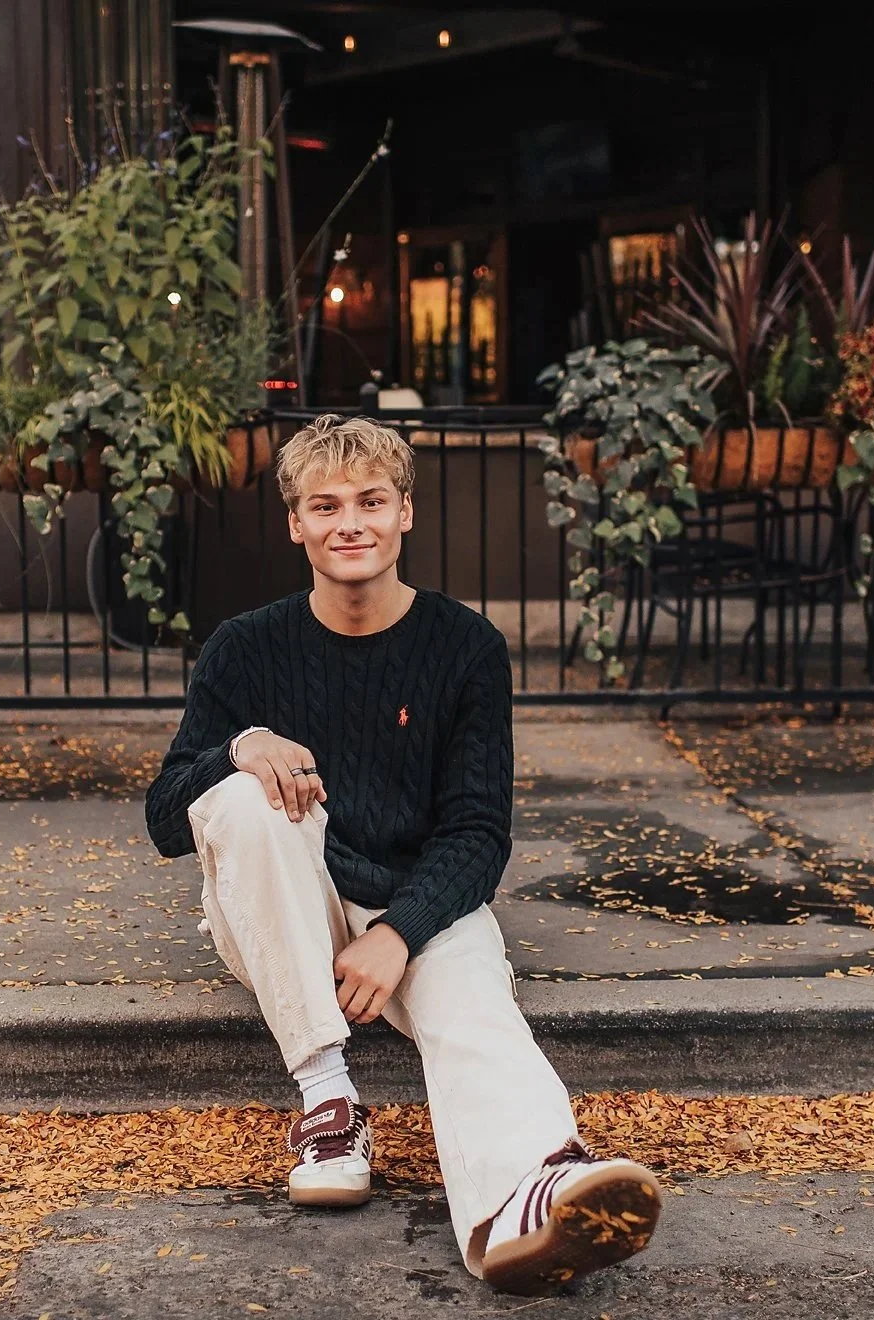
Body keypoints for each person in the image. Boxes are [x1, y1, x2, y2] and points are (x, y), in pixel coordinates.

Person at [144, 414, 660, 1295]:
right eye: (326, 505)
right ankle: (328, 1099)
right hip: (281, 909)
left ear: (405, 514)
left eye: (372, 501)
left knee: (471, 1001)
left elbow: (475, 834)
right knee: (239, 792)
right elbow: (164, 817)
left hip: (412, 896)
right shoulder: (243, 648)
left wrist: (401, 933)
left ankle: (527, 1200)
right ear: (295, 525)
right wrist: (241, 746)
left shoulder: (465, 649)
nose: (351, 523)